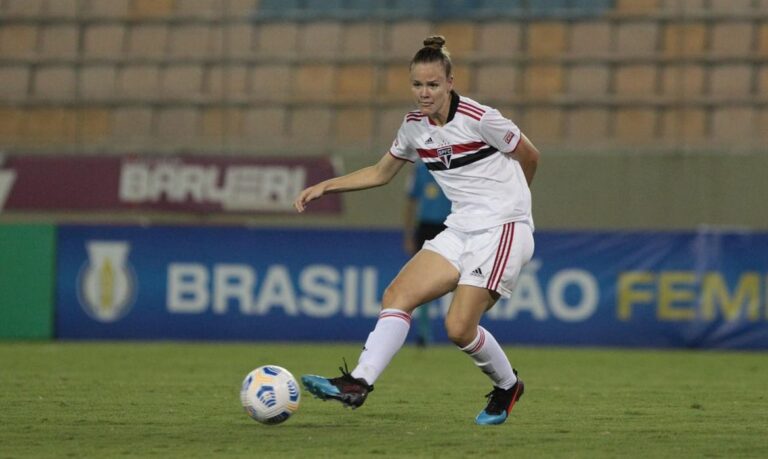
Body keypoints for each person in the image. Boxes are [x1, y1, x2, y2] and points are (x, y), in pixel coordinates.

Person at [294, 35, 539, 425]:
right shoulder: (413, 127)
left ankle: (508, 387)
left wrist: (515, 206)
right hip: (461, 227)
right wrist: (328, 185)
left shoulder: (481, 118)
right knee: (397, 294)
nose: (424, 93)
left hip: (503, 229)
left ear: (450, 82)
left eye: (433, 85)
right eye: (417, 85)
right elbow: (380, 173)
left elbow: (530, 154)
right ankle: (358, 383)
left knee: (458, 328)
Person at [403, 161, 452, 347]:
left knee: (458, 280)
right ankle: (424, 332)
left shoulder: (457, 163)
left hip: (450, 226)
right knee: (423, 282)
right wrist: (408, 234)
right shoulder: (420, 168)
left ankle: (461, 327)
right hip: (425, 227)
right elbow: (410, 201)